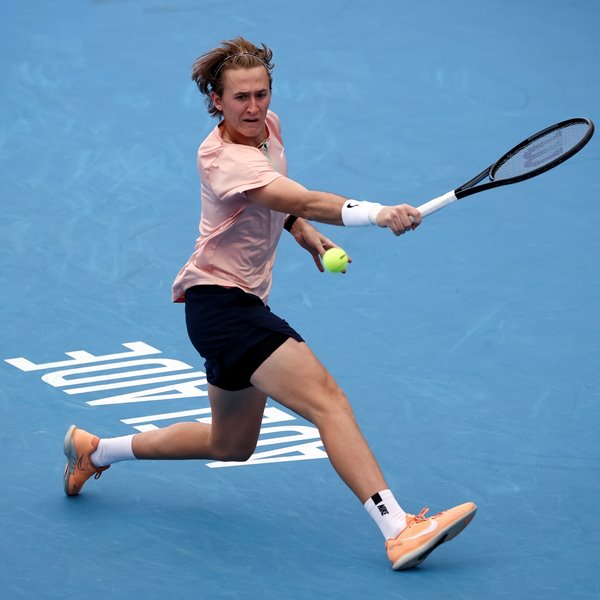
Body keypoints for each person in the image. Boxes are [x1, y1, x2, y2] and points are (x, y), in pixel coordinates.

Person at [63, 36, 476, 571]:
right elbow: (298, 196)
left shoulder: (268, 128)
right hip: (224, 307)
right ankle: (398, 528)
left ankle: (95, 450)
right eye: (240, 98)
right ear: (216, 100)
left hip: (224, 310)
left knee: (231, 444)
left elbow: (282, 203)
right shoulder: (221, 159)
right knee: (328, 400)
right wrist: (377, 213)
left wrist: (302, 233)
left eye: (261, 93)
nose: (254, 107)